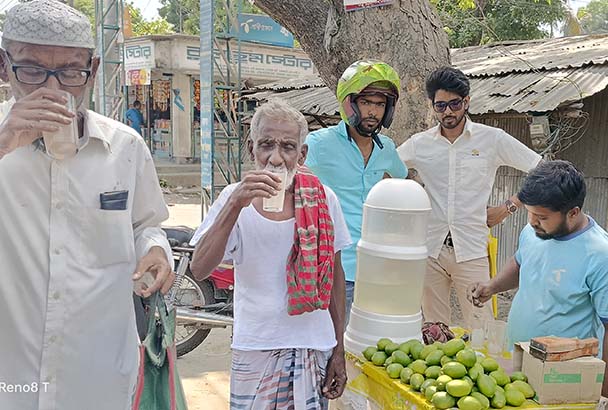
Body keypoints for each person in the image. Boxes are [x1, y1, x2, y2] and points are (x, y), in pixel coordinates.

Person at [0, 1, 174, 409]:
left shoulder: (125, 148)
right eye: (31, 69)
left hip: (96, 376)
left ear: (93, 71)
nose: (53, 89)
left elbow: (147, 225)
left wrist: (155, 250)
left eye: (70, 73)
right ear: (4, 67)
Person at [190, 99, 351, 409]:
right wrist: (236, 204)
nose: (275, 158)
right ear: (252, 149)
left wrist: (339, 349)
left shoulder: (323, 199)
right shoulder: (232, 198)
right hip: (256, 348)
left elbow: (335, 277)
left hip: (313, 347)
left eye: (288, 147)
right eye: (266, 145)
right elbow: (199, 268)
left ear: (301, 155)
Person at [469, 160, 608, 410]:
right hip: (516, 366)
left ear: (573, 213)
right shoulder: (534, 232)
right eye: (530, 212)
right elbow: (521, 263)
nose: (533, 221)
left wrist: (605, 397)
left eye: (542, 217)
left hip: (563, 380)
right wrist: (492, 286)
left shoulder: (605, 257)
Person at [397, 67, 541, 328]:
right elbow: (385, 166)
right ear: (433, 106)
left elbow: (540, 169)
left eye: (454, 104)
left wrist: (509, 206)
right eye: (441, 106)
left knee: (481, 330)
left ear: (466, 102)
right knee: (433, 331)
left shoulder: (492, 139)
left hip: (472, 250)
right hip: (431, 250)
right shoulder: (420, 144)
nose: (448, 112)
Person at [305, 60, 408, 315]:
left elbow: (404, 182)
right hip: (334, 267)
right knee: (334, 346)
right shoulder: (319, 144)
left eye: (380, 104)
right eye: (366, 102)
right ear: (349, 104)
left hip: (376, 268)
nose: (373, 112)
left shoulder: (387, 149)